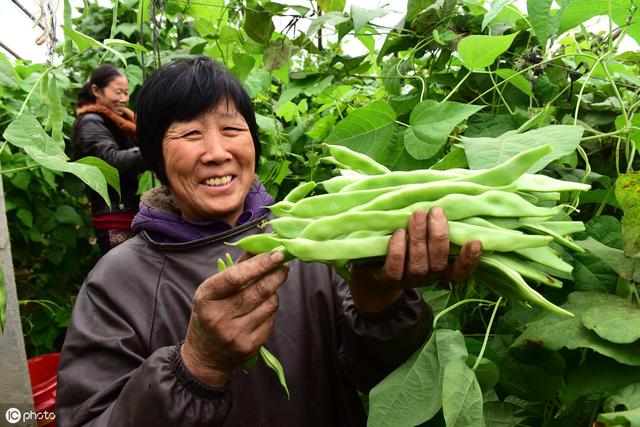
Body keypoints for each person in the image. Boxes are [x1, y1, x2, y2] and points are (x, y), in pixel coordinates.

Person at [56, 56, 483, 426]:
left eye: (232, 129)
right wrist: (196, 366)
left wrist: (381, 304)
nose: (217, 151)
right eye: (189, 135)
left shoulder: (310, 239)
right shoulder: (118, 281)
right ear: (155, 158)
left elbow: (372, 374)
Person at [73, 64, 147, 254]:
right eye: (118, 92)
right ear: (96, 90)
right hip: (114, 216)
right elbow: (110, 160)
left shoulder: (119, 120)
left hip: (127, 210)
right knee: (124, 275)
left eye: (126, 92)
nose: (124, 99)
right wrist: (152, 148)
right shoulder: (90, 121)